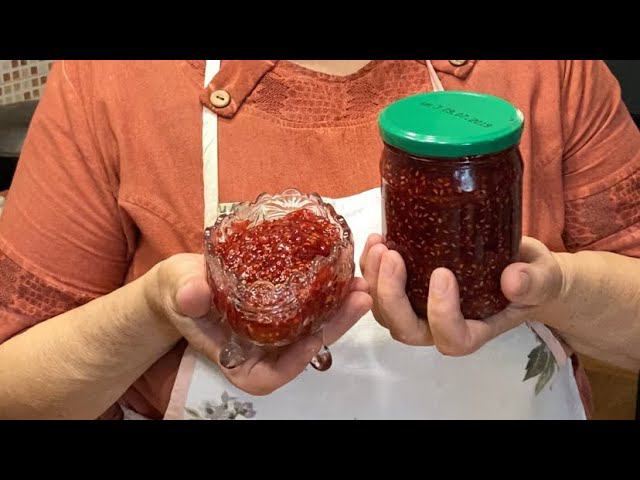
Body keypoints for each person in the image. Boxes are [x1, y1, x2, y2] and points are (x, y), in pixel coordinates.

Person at [0, 60, 638, 420]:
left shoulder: (548, 70)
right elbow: (15, 390)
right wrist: (153, 310)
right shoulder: (110, 80)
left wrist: (559, 289)